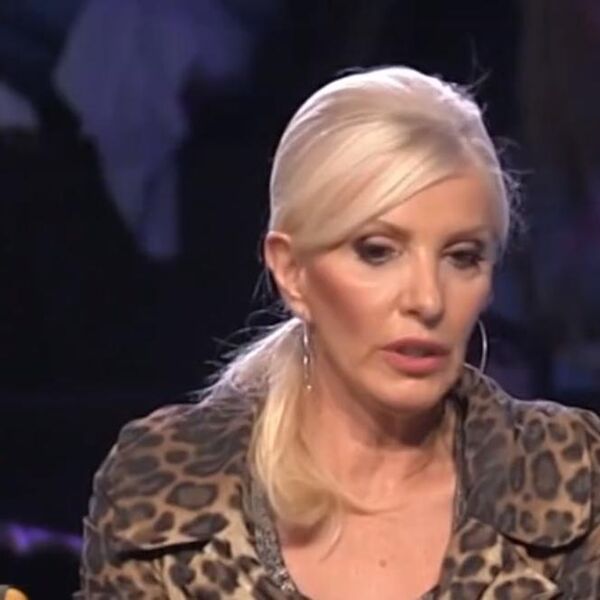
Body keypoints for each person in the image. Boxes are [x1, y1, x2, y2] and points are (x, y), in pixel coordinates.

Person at [76, 67, 600, 599]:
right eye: (377, 252)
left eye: (462, 257)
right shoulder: (166, 489)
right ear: (292, 272)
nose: (427, 300)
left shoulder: (572, 478)